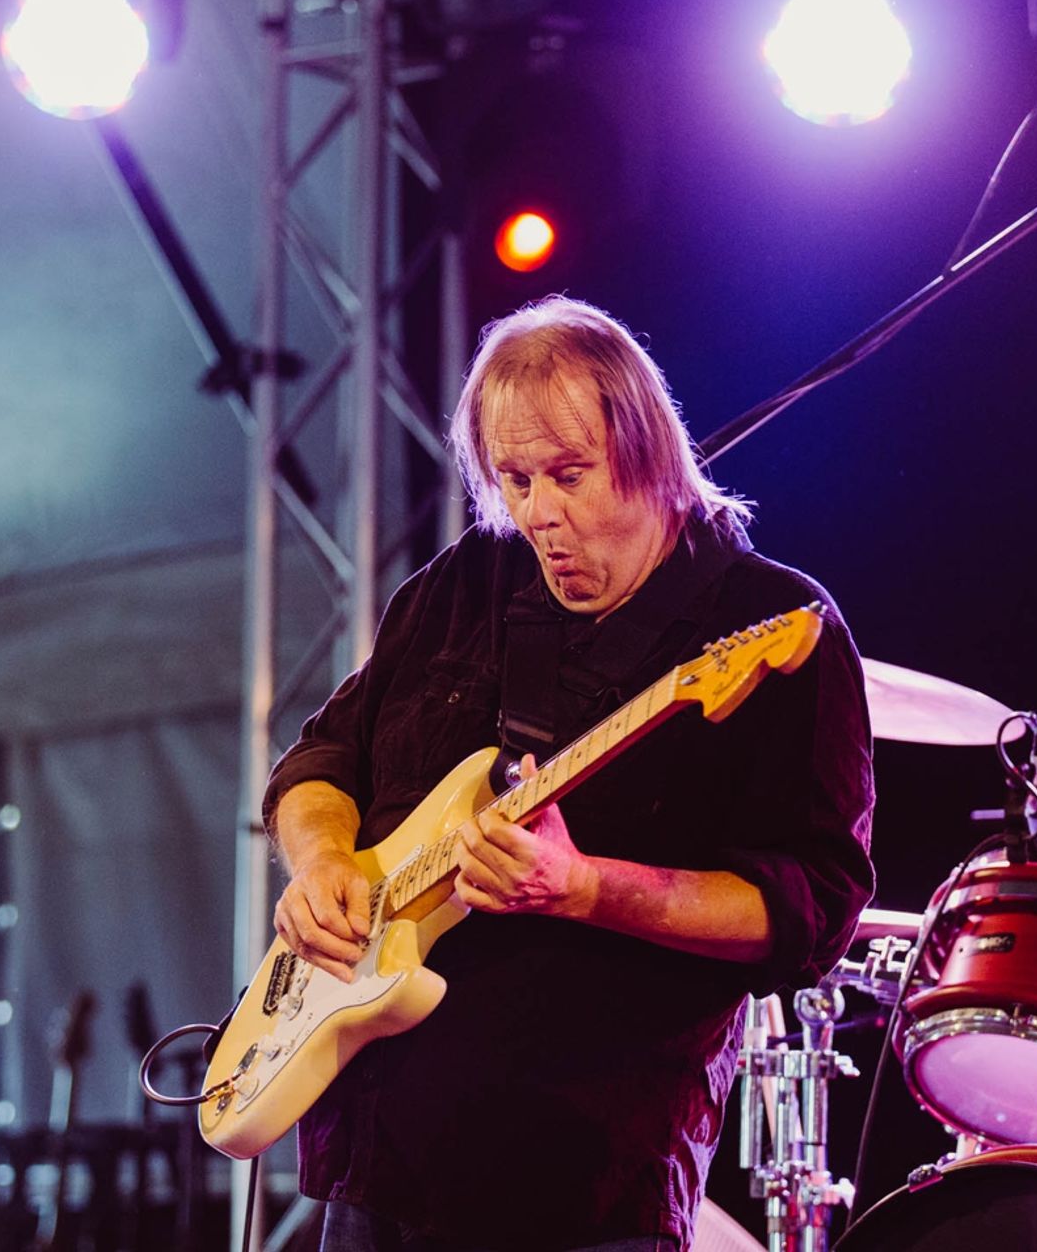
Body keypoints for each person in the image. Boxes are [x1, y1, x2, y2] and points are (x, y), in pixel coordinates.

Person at [262, 296, 876, 1252]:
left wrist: (587, 889)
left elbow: (810, 910)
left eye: (569, 475)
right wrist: (322, 861)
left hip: (587, 1180)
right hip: (382, 1157)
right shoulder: (465, 584)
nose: (538, 514)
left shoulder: (773, 623)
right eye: (512, 479)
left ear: (650, 455)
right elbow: (321, 758)